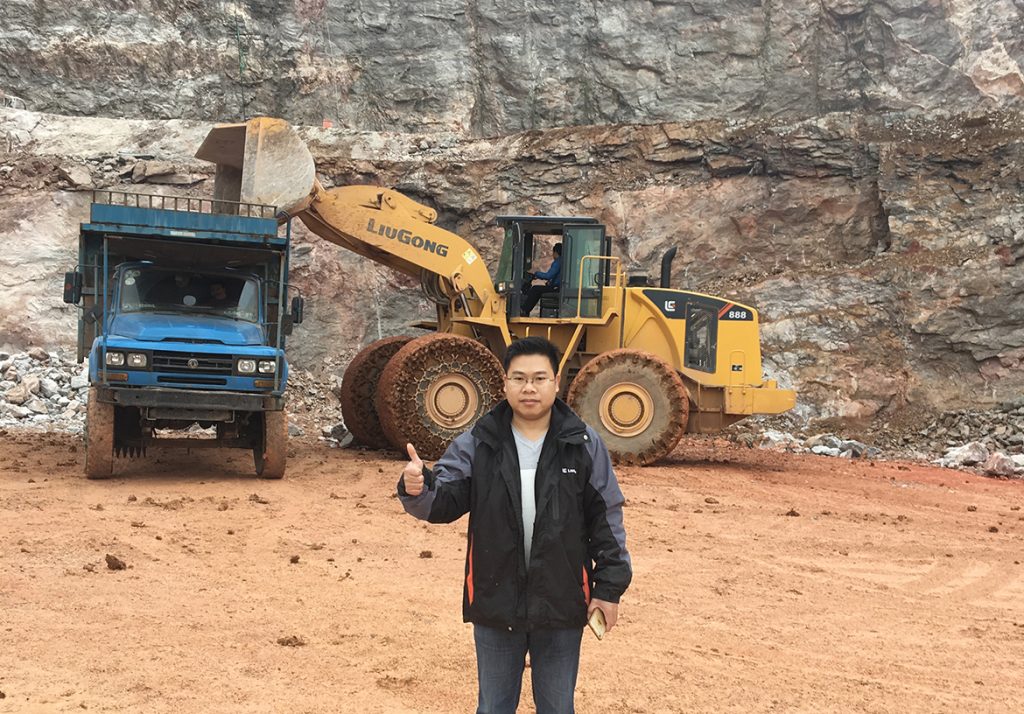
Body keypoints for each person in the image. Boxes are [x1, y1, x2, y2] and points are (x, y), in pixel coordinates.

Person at [397, 336, 631, 714]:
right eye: (519, 378)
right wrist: (418, 487)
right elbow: (443, 501)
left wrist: (609, 590)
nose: (529, 388)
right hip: (496, 602)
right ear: (505, 383)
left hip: (561, 604)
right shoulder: (478, 443)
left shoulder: (584, 445)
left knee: (557, 707)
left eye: (539, 378)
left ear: (556, 382)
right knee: (493, 707)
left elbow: (607, 520)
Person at [521, 243, 562, 316]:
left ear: (555, 252)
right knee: (538, 289)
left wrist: (536, 273)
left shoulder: (558, 262)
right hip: (557, 287)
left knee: (535, 289)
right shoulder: (563, 261)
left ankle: (524, 310)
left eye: (553, 253)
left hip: (557, 288)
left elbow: (549, 276)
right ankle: (525, 310)